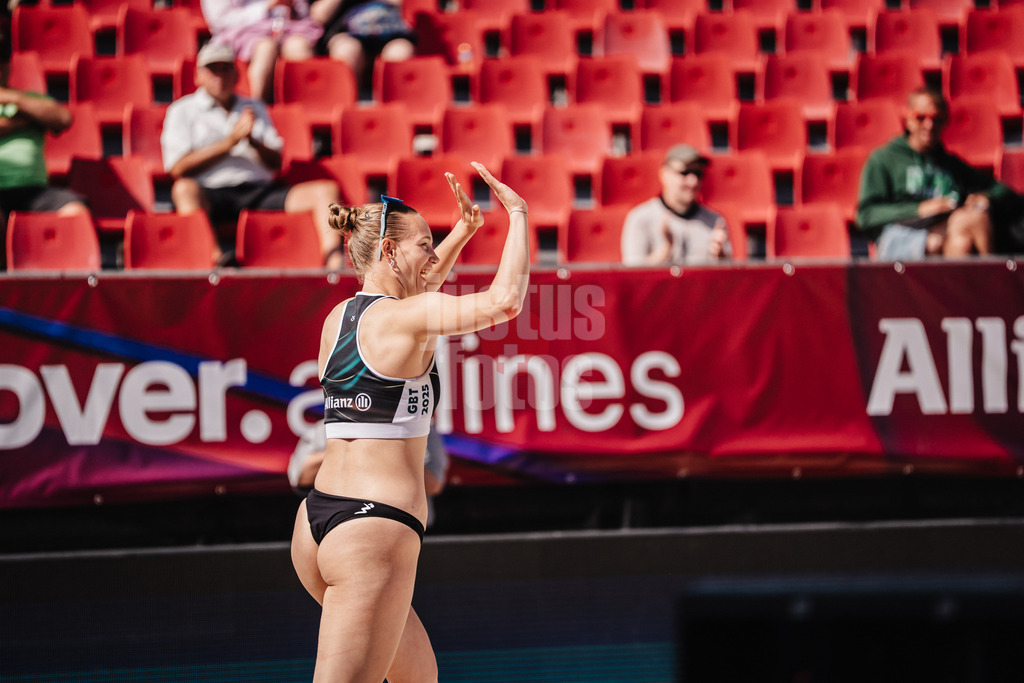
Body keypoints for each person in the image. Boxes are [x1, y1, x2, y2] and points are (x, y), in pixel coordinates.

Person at [290, 161, 529, 681]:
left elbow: (415, 289)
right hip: (370, 533)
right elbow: (505, 301)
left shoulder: (341, 318)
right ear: (388, 251)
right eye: (424, 244)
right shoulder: (406, 319)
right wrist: (518, 215)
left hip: (318, 524)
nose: (432, 254)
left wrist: (463, 231)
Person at [161, 42, 342, 266]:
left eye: (225, 68)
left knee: (325, 191)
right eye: (212, 69)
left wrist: (252, 142)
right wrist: (230, 143)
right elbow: (177, 168)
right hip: (210, 192)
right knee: (183, 190)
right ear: (198, 76)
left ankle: (335, 265)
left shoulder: (254, 106)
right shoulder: (182, 110)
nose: (219, 75)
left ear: (236, 74)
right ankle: (214, 260)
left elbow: (276, 162)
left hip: (258, 190)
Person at [856, 86, 1014, 260]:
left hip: (947, 230)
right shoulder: (884, 160)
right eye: (921, 117)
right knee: (962, 228)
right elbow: (866, 215)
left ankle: (985, 281)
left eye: (937, 118)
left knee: (964, 238)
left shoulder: (951, 164)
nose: (929, 125)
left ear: (946, 121)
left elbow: (1003, 191)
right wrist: (919, 209)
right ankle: (997, 280)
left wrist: (985, 197)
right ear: (908, 119)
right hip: (902, 233)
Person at [288, 419, 449, 527]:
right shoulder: (325, 428)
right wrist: (350, 448)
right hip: (341, 526)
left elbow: (433, 484)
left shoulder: (417, 427)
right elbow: (301, 478)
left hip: (404, 527)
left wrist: (383, 447)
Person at [0, 59, 90, 233]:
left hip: (34, 191)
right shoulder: (31, 109)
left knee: (76, 213)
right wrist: (27, 120)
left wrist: (12, 97)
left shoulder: (29, 99)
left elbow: (63, 118)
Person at [620, 144, 731, 266]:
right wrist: (665, 252)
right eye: (684, 172)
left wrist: (721, 258)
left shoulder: (714, 221)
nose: (693, 181)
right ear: (664, 174)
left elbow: (729, 278)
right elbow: (631, 276)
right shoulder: (640, 218)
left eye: (698, 173)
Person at [200, 0, 323, 102]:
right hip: (240, 33)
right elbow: (220, 20)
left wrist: (293, 5)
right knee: (266, 48)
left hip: (288, 28)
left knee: (299, 47)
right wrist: (266, 7)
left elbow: (304, 12)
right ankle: (256, 108)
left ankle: (306, 112)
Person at [309, 0, 415, 96]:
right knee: (346, 51)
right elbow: (319, 16)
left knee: (400, 53)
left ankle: (390, 112)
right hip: (348, 33)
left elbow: (408, 4)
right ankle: (347, 109)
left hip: (392, 33)